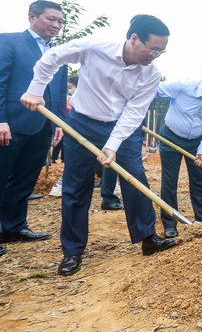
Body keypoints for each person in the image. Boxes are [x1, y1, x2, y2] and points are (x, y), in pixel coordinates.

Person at [21, 14, 178, 276]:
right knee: (76, 185)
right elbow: (51, 58)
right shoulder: (94, 49)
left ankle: (148, 237)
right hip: (83, 123)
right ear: (134, 38)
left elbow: (134, 112)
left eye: (162, 51)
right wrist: (36, 88)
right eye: (153, 49)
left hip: (123, 130)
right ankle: (72, 251)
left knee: (135, 178)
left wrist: (113, 144)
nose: (156, 55)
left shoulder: (152, 74)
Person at [0, 0, 67, 251]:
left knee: (25, 178)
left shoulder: (59, 53)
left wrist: (57, 122)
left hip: (42, 126)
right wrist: (1, 120)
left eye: (60, 21)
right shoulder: (9, 42)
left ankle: (14, 226)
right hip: (11, 123)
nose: (57, 25)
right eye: (51, 19)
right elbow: (1, 81)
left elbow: (58, 91)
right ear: (32, 17)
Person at [156, 65, 202, 237]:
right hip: (170, 138)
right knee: (169, 181)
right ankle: (170, 224)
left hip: (197, 142)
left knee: (199, 179)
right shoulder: (182, 87)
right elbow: (153, 91)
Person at [49, 76, 79, 197]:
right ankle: (62, 183)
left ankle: (112, 187)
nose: (69, 89)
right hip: (75, 126)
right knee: (75, 157)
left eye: (70, 87)